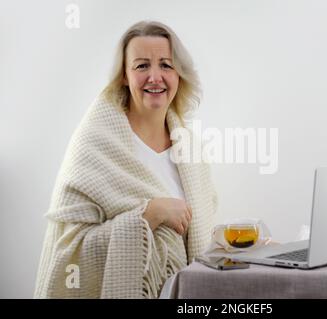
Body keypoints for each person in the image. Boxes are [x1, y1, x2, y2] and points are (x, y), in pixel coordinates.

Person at [34, 20, 218, 299]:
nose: (155, 77)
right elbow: (67, 254)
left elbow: (200, 238)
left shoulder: (191, 149)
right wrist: (147, 215)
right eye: (142, 65)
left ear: (179, 75)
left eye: (166, 65)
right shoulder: (94, 143)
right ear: (124, 75)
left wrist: (251, 249)